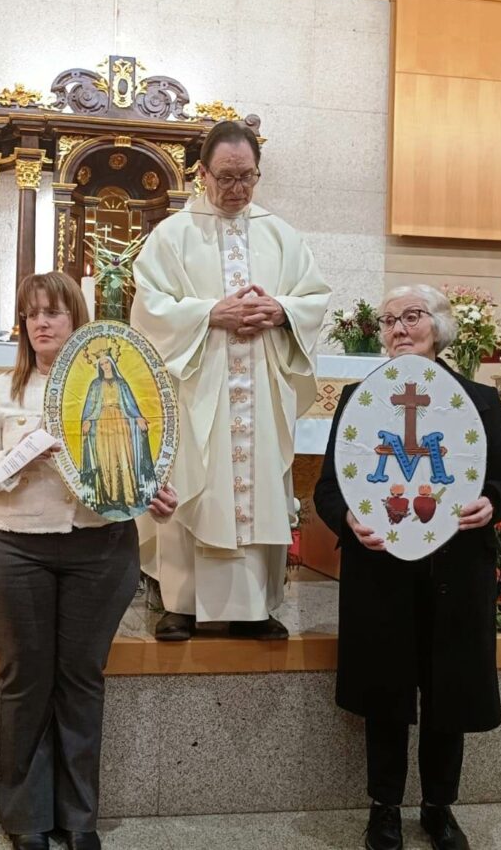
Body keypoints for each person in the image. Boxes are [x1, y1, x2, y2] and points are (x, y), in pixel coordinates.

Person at [0, 272, 178, 850]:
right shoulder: (3, 389)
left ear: (76, 319)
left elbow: (144, 449)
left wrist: (153, 490)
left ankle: (79, 815)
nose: (41, 323)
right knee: (25, 679)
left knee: (81, 679)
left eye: (54, 313)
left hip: (100, 549)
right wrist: (19, 456)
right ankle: (26, 817)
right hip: (16, 547)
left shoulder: (115, 380)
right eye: (32, 314)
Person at [313, 285, 501, 850]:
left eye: (411, 316)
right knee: (385, 690)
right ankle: (383, 807)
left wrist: (494, 504)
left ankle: (439, 806)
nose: (398, 329)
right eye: (388, 320)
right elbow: (329, 489)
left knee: (448, 690)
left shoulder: (478, 400)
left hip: (454, 568)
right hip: (380, 568)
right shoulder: (358, 398)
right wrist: (348, 522)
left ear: (439, 327)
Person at [130, 120, 332, 642]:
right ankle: (181, 604)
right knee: (195, 482)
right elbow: (148, 307)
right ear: (202, 173)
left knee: (258, 484)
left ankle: (254, 608)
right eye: (226, 177)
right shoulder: (172, 236)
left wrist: (281, 309)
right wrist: (208, 315)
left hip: (260, 392)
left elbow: (314, 298)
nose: (237, 188)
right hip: (197, 386)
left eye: (247, 177)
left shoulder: (280, 234)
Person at [80, 342, 157, 515]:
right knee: (104, 460)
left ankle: (127, 497)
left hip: (121, 423)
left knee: (124, 457)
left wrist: (138, 417)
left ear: (112, 364)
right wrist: (87, 420)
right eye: (102, 364)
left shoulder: (122, 384)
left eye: (107, 363)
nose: (105, 366)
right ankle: (108, 499)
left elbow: (131, 404)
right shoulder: (95, 385)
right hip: (101, 424)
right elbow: (90, 407)